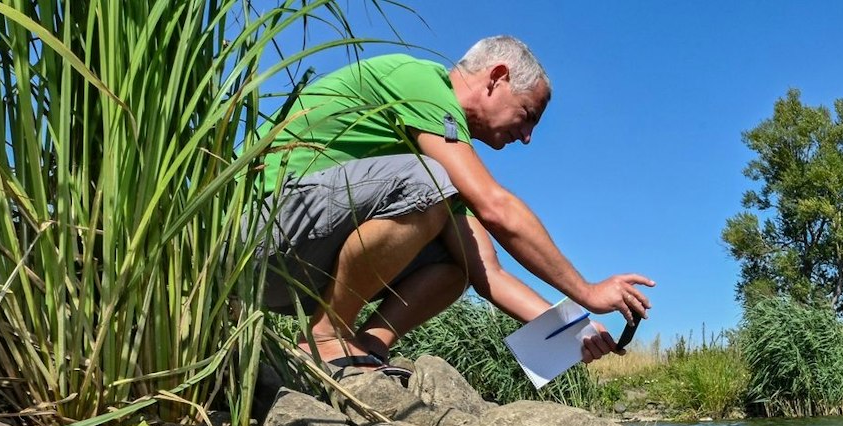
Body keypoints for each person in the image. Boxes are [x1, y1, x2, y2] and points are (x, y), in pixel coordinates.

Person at [251, 36, 651, 378]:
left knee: (460, 260)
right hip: (258, 236)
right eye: (528, 115)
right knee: (425, 181)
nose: (527, 137)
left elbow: (488, 273)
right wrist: (587, 292)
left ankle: (368, 346)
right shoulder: (420, 81)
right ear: (497, 77)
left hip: (296, 263)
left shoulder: (439, 157)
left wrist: (573, 332)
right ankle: (325, 335)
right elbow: (495, 206)